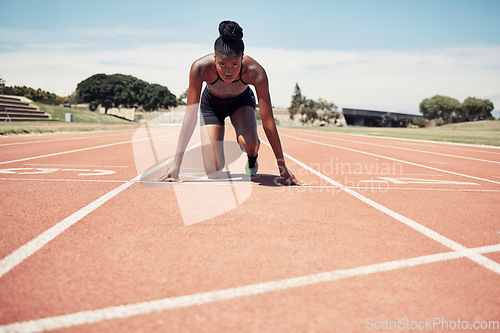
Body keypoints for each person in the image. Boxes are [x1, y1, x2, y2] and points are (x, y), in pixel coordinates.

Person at [162, 20, 303, 185]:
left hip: (241, 103)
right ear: (214, 58)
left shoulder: (256, 72)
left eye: (235, 65)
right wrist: (176, 165)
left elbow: (268, 122)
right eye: (222, 64)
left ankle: (252, 158)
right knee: (213, 172)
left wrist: (282, 167)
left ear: (242, 59)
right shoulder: (199, 68)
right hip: (211, 107)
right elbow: (190, 117)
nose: (228, 71)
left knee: (249, 144)